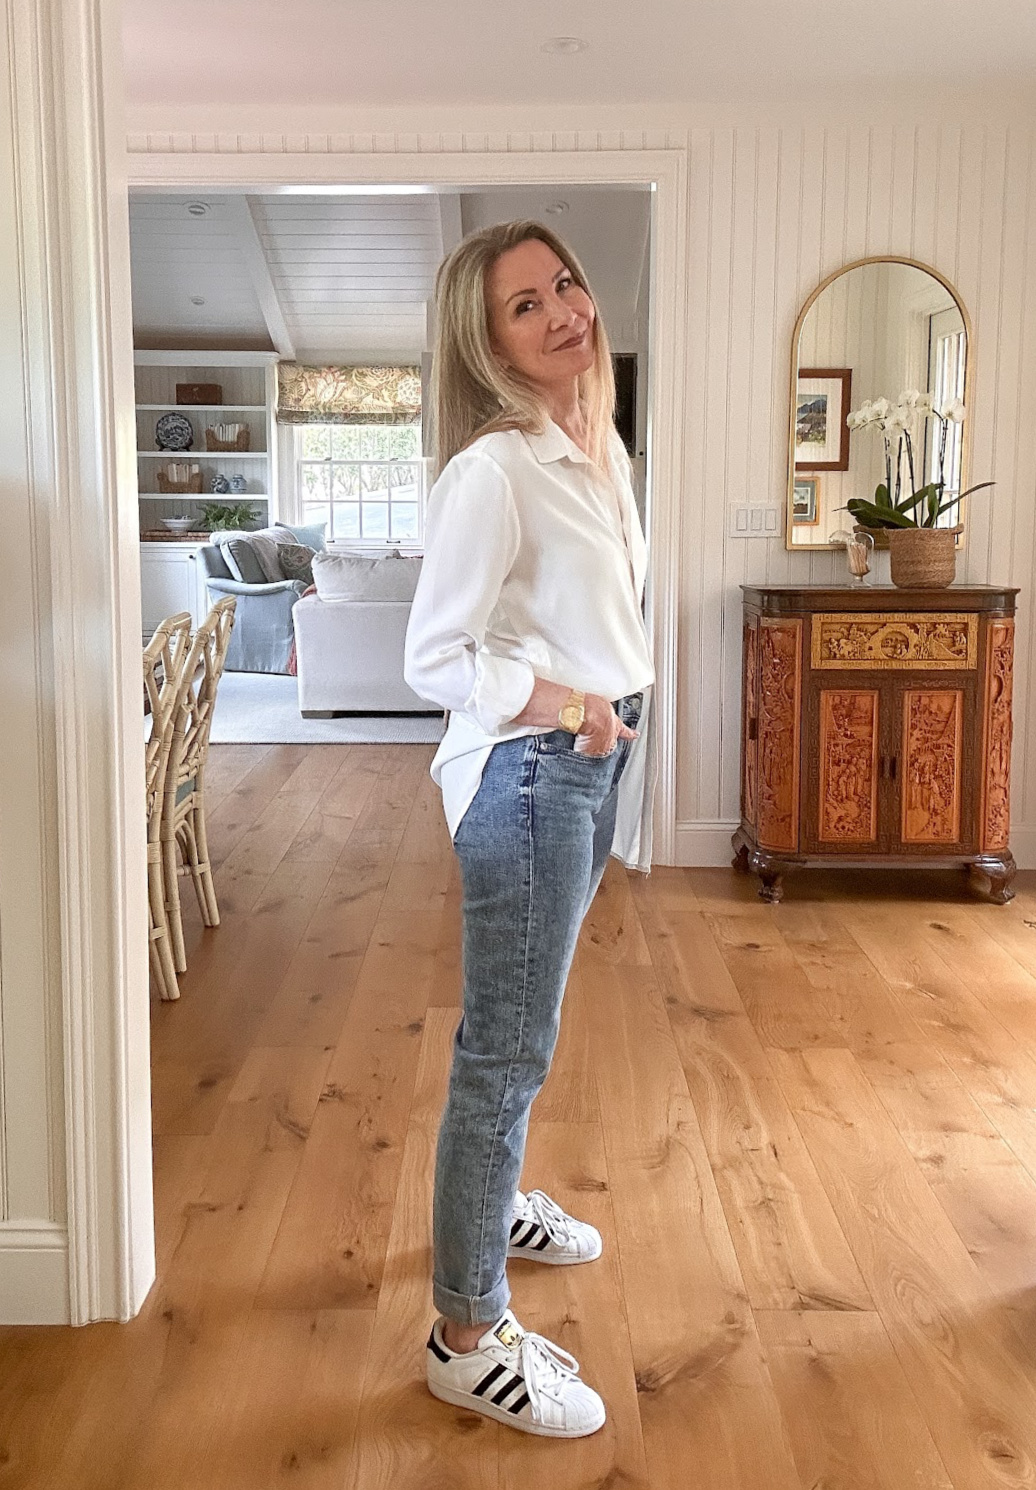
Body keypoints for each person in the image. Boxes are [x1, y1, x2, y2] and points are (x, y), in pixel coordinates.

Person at [403, 218, 655, 1439]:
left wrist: (602, 718)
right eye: (524, 304)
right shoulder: (493, 468)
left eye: (566, 283)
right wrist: (567, 705)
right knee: (503, 1047)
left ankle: (488, 1200)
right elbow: (432, 654)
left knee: (526, 1029)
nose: (563, 309)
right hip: (532, 771)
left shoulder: (590, 443)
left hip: (589, 761)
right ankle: (463, 1329)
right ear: (485, 341)